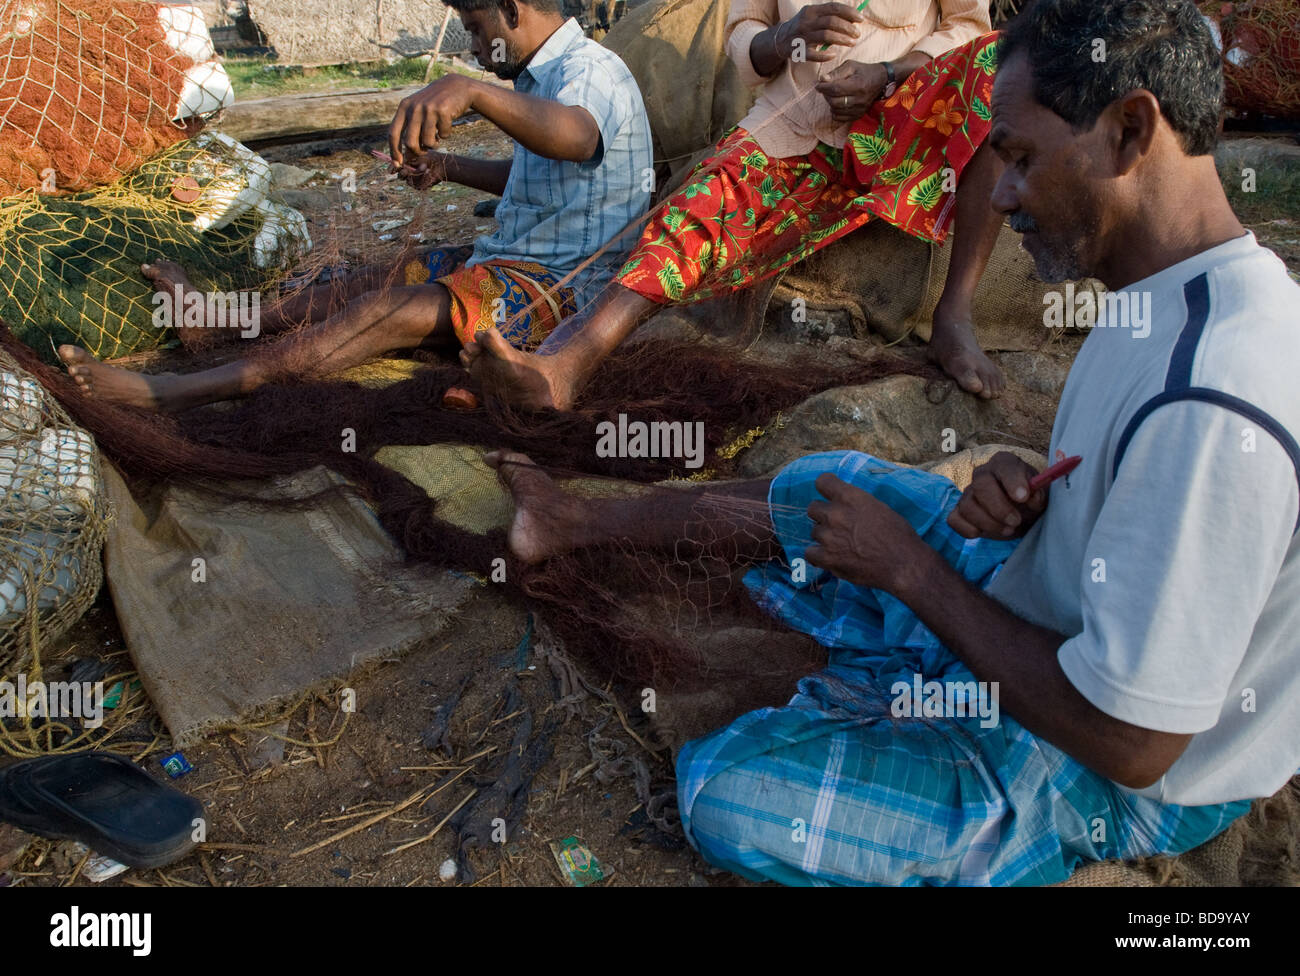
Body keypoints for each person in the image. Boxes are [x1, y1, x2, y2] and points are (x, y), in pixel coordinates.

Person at [482, 0, 1300, 884]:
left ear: (1131, 129)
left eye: (1020, 159)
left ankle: (949, 735)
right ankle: (567, 524)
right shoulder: (1163, 287)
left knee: (729, 791)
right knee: (824, 489)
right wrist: (1039, 503)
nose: (1005, 193)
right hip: (1053, 624)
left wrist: (913, 575)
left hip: (1106, 774)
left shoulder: (1213, 396)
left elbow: (1133, 741)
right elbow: (1137, 510)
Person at [57, 0, 651, 412]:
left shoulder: (589, 70)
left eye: (475, 28)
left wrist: (470, 90)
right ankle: (219, 321)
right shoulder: (538, 81)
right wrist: (446, 168)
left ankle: (178, 392)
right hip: (511, 263)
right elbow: (538, 180)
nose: (474, 48)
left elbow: (573, 137)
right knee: (374, 277)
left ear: (512, 10)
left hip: (565, 289)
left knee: (390, 308)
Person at [462, 0, 1010, 411]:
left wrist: (887, 73)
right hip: (791, 126)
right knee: (687, 216)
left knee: (999, 61)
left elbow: (967, 26)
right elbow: (744, 39)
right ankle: (562, 366)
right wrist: (789, 36)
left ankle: (953, 315)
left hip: (903, 117)